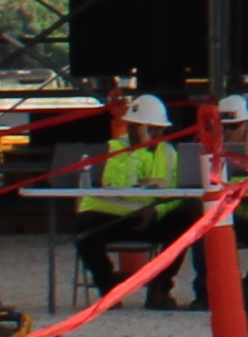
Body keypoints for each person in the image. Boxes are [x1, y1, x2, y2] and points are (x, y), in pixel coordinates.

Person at [80, 90, 190, 310]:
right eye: (150, 129)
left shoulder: (169, 153)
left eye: (159, 129)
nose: (156, 134)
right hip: (111, 217)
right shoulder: (115, 149)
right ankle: (108, 289)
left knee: (187, 218)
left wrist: (156, 211)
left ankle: (160, 287)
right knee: (83, 232)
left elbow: (178, 192)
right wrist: (139, 151)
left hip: (149, 218)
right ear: (134, 127)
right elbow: (119, 186)